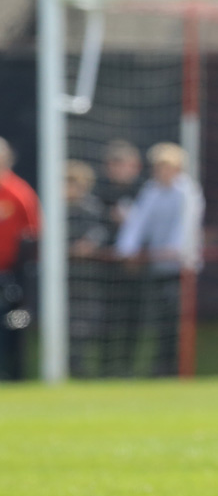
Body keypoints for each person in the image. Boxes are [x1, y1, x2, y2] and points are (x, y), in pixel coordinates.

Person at [116, 142, 204, 377]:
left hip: (180, 270)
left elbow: (184, 229)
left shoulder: (188, 192)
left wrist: (173, 250)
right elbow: (137, 223)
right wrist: (126, 249)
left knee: (177, 323)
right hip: (157, 268)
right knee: (159, 321)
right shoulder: (151, 190)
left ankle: (176, 369)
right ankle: (159, 368)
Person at [94, 139, 145, 377]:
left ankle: (128, 367)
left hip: (136, 269)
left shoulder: (145, 192)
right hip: (106, 270)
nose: (121, 169)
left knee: (133, 320)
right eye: (116, 164)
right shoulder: (99, 193)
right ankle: (105, 367)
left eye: (126, 164)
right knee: (106, 321)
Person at [0, 137, 40, 380]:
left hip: (11, 275)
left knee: (12, 324)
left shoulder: (19, 192)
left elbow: (32, 234)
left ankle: (14, 373)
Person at [65, 160, 108, 377]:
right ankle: (65, 364)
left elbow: (100, 231)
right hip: (63, 278)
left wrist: (90, 243)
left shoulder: (92, 208)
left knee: (87, 322)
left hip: (87, 277)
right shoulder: (55, 210)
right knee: (65, 321)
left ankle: (82, 365)